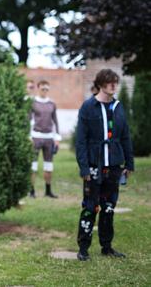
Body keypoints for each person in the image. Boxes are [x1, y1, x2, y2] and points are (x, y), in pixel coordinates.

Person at [75, 69, 134, 261]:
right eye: (110, 83)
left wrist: (129, 163)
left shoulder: (118, 107)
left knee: (109, 207)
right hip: (94, 165)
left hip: (114, 166)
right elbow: (81, 140)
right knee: (90, 207)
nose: (113, 86)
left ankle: (106, 246)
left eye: (115, 83)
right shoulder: (88, 107)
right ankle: (83, 247)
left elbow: (125, 136)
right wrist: (84, 167)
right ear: (101, 84)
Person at [29, 80, 61, 198]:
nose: (45, 91)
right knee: (33, 166)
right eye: (43, 89)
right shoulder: (33, 103)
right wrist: (28, 136)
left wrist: (57, 138)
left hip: (49, 138)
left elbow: (56, 121)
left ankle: (48, 191)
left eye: (47, 89)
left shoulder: (52, 104)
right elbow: (27, 120)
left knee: (49, 166)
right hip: (36, 137)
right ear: (38, 88)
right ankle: (31, 191)